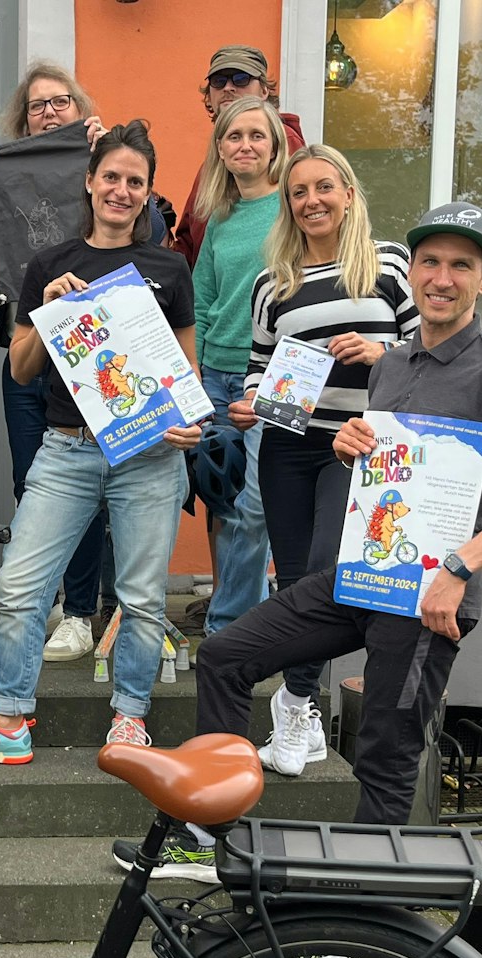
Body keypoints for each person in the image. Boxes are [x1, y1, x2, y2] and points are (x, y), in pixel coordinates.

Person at [144, 202, 482, 877]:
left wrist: (460, 568)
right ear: (412, 270)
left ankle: (363, 912)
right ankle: (210, 838)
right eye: (431, 262)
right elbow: (391, 461)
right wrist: (350, 445)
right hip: (365, 573)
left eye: (461, 265)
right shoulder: (393, 365)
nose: (442, 278)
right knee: (225, 655)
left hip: (429, 597)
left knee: (385, 754)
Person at [0, 122, 202, 766]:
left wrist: (190, 424)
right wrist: (48, 312)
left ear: (147, 193)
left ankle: (130, 719)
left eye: (135, 181)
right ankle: (8, 720)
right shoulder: (49, 265)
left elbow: (184, 373)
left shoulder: (169, 269)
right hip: (67, 448)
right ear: (89, 181)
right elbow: (22, 369)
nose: (121, 190)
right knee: (21, 586)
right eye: (111, 177)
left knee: (142, 598)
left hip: (148, 455)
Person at [233, 144, 416, 776]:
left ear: (348, 193)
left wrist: (382, 355)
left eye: (323, 187)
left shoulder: (389, 265)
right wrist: (249, 402)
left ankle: (291, 700)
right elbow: (259, 367)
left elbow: (429, 353)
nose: (311, 201)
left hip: (361, 447)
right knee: (294, 582)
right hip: (287, 447)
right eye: (298, 192)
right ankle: (306, 714)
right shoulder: (272, 284)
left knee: (325, 575)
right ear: (287, 205)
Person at [0, 61, 114, 660]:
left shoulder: (103, 169)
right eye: (38, 106)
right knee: (32, 484)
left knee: (83, 487)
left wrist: (104, 153)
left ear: (80, 111)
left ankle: (80, 613)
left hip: (85, 356)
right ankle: (43, 603)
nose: (50, 113)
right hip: (26, 350)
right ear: (23, 120)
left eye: (61, 103)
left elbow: (149, 227)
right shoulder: (3, 173)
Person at [190, 96, 289, 638]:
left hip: (272, 378)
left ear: (275, 146)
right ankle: (248, 616)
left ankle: (227, 630)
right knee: (224, 501)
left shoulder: (291, 209)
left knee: (257, 505)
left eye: (256, 135)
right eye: (234, 136)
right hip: (216, 377)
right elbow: (203, 300)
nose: (245, 145)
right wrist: (195, 370)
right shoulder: (220, 218)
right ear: (221, 148)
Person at [173, 46, 307, 268]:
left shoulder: (285, 141)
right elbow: (189, 243)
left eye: (241, 79)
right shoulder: (215, 162)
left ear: (264, 91)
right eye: (218, 81)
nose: (228, 87)